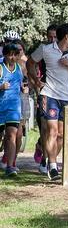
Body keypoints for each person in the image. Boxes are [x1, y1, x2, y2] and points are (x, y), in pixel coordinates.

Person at [27, 23, 68, 180]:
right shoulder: (46, 49)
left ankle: (51, 160)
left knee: (61, 135)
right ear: (67, 37)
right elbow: (30, 62)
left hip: (67, 97)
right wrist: (37, 81)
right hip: (49, 95)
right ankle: (52, 166)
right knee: (51, 131)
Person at [29, 24, 57, 174]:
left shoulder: (65, 51)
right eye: (50, 36)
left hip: (60, 94)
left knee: (57, 131)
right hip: (45, 92)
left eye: (55, 36)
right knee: (45, 127)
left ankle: (42, 147)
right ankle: (46, 161)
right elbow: (30, 65)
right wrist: (36, 83)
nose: (52, 39)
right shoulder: (43, 50)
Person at [0, 43, 23, 176]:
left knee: (11, 135)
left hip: (14, 108)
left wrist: (24, 88)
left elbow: (21, 83)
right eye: (10, 55)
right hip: (1, 107)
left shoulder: (19, 68)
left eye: (15, 55)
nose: (13, 58)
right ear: (5, 55)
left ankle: (10, 167)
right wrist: (1, 86)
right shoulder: (1, 68)